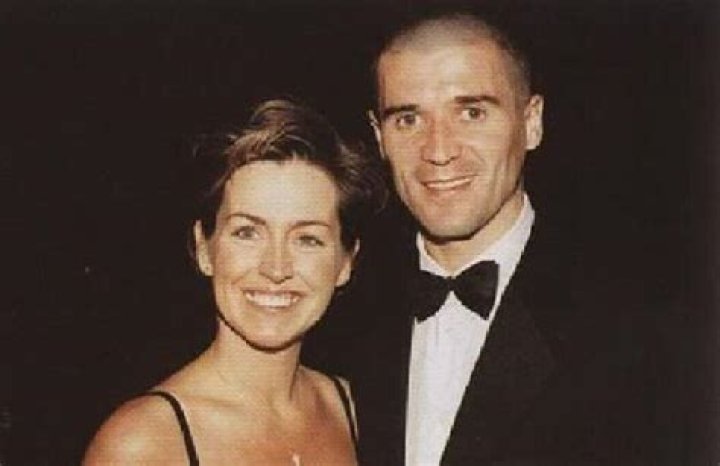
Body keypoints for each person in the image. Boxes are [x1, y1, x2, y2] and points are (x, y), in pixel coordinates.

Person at [345, 9, 661, 465]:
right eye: (408, 119)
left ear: (531, 122)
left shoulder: (635, 326)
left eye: (471, 113)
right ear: (379, 137)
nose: (438, 150)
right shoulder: (338, 318)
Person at [83, 99, 384, 465]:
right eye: (247, 232)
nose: (276, 268)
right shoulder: (143, 444)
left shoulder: (360, 412)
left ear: (346, 262)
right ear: (204, 248)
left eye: (308, 239)